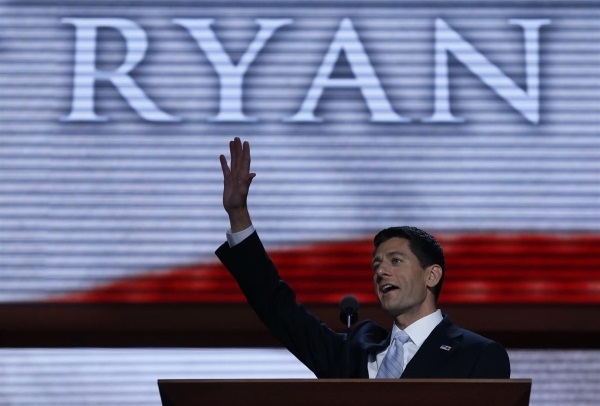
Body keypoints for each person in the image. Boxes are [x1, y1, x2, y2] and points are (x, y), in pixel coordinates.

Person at [215, 137, 510, 379]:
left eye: (396, 261)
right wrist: (238, 215)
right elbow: (277, 307)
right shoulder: (352, 353)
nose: (381, 272)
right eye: (376, 265)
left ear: (431, 275)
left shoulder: (477, 354)